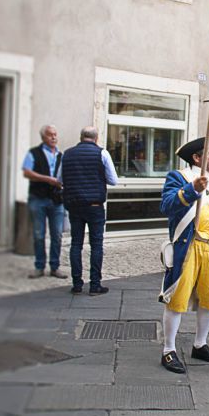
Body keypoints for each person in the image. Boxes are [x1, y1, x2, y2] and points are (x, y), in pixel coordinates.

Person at [159, 136, 209, 374]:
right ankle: (168, 349)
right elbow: (166, 205)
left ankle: (200, 344)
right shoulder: (179, 177)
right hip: (187, 248)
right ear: (196, 158)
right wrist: (191, 190)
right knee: (176, 301)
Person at [59, 126, 118, 295]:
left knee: (76, 244)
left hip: (74, 205)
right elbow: (113, 180)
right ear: (96, 138)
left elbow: (59, 179)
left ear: (81, 137)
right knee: (96, 245)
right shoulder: (102, 153)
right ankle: (95, 285)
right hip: (94, 206)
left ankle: (77, 284)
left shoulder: (67, 154)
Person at [22, 125, 65, 278]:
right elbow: (27, 172)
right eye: (50, 135)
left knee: (57, 234)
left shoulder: (61, 155)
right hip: (38, 198)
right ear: (43, 137)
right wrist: (48, 179)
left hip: (56, 200)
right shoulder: (34, 153)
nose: (53, 137)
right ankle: (39, 266)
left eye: (55, 134)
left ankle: (55, 266)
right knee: (39, 234)